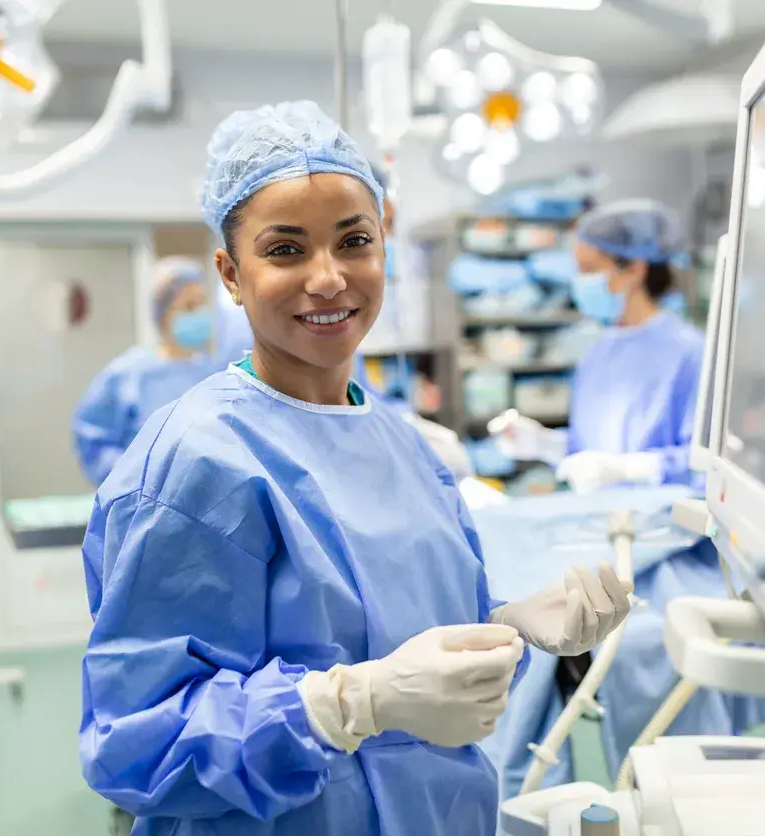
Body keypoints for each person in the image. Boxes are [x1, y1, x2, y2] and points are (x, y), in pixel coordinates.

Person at [78, 100, 632, 836]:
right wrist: (349, 705)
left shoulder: (409, 450)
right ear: (231, 274)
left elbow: (403, 637)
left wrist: (508, 626)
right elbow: (136, 744)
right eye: (285, 250)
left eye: (355, 241)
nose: (329, 277)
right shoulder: (194, 466)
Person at [490, 199, 704, 493]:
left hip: (667, 531)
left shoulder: (690, 353)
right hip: (603, 523)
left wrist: (629, 469)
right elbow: (594, 448)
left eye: (590, 269)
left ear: (634, 270)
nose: (580, 282)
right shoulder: (598, 351)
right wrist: (546, 444)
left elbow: (707, 465)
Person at [70, 258, 235, 486]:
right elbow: (94, 441)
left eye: (203, 303)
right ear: (164, 315)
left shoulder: (215, 374)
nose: (200, 313)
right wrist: (137, 480)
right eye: (189, 306)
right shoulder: (130, 374)